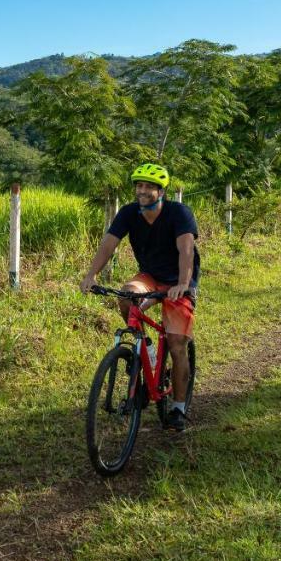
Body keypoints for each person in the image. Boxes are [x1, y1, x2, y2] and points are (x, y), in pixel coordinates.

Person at [80, 163, 199, 432]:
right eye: (139, 185)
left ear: (161, 191)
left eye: (148, 187)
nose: (142, 191)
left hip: (179, 281)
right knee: (127, 296)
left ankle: (178, 408)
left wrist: (182, 283)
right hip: (149, 276)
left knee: (177, 343)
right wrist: (91, 276)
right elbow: (109, 244)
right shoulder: (129, 213)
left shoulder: (179, 213)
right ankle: (148, 351)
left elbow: (186, 250)